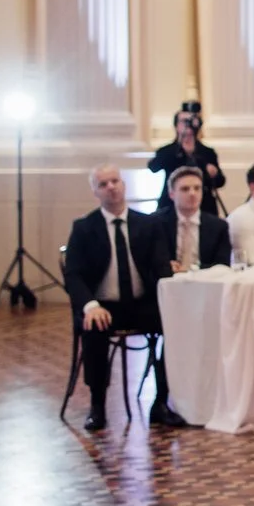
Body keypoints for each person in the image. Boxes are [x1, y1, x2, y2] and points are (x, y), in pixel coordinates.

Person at [62, 164, 181, 433]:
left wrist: (168, 274)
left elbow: (161, 267)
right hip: (102, 305)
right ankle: (97, 406)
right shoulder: (84, 228)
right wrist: (90, 305)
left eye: (115, 181)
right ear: (95, 191)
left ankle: (161, 402)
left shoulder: (149, 224)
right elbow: (74, 275)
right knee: (95, 326)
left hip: (141, 303)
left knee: (176, 326)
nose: (111, 187)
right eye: (103, 184)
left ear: (123, 184)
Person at [147, 104, 227, 218]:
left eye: (191, 121)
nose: (188, 125)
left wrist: (214, 174)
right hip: (171, 206)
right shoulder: (168, 151)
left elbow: (220, 182)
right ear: (176, 125)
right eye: (184, 121)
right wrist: (179, 145)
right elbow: (153, 167)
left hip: (204, 207)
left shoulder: (207, 152)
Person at [163, 166, 230, 274]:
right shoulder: (156, 223)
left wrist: (193, 268)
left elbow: (223, 266)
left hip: (206, 285)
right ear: (172, 194)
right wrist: (166, 266)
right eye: (185, 189)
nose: (192, 194)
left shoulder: (218, 226)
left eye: (197, 188)